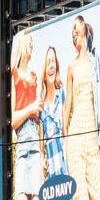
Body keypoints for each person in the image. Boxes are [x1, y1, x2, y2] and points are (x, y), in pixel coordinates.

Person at [62, 16, 100, 200]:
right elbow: (68, 104)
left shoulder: (96, 63)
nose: (73, 32)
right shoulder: (71, 66)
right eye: (71, 30)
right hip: (75, 135)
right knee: (80, 198)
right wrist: (65, 136)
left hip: (93, 137)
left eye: (76, 27)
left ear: (84, 28)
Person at [10, 31, 42, 200]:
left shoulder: (34, 76)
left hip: (35, 138)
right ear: (22, 44)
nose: (32, 47)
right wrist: (31, 108)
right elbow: (13, 120)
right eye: (29, 43)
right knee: (22, 190)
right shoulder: (14, 75)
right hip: (23, 138)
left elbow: (38, 117)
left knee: (37, 192)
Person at [37, 45, 67, 181]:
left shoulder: (61, 94)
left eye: (53, 61)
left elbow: (66, 127)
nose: (51, 66)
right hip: (50, 158)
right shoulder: (41, 105)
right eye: (48, 62)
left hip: (64, 153)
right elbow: (41, 137)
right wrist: (42, 157)